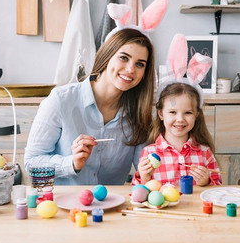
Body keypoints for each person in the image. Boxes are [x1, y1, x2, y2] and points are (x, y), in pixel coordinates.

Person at [24, 28, 156, 185]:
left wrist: (148, 172)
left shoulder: (139, 112)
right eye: (123, 58)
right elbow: (31, 164)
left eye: (140, 64)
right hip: (63, 205)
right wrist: (71, 163)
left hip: (113, 205)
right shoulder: (61, 100)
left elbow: (144, 170)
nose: (130, 69)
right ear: (107, 55)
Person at [132, 34, 222, 186]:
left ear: (196, 114)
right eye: (173, 112)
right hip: (161, 210)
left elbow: (218, 188)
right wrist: (144, 178)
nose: (180, 119)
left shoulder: (204, 153)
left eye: (188, 112)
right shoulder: (149, 153)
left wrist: (206, 182)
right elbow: (138, 193)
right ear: (161, 113)